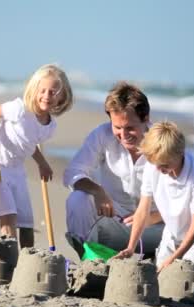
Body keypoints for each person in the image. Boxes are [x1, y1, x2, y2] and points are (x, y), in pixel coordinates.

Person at [63, 81, 163, 258]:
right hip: (115, 223)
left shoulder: (163, 142)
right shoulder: (102, 135)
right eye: (117, 127)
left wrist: (155, 216)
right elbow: (72, 172)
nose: (123, 135)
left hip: (156, 228)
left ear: (145, 118)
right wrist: (97, 190)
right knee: (77, 199)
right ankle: (90, 261)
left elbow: (186, 199)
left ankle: (155, 259)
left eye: (130, 128)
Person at [0, 64, 73, 248]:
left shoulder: (49, 126)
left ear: (62, 97)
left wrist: (42, 163)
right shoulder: (19, 109)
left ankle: (28, 259)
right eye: (43, 90)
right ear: (34, 90)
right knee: (9, 215)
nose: (47, 96)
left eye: (53, 92)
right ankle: (11, 257)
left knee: (26, 222)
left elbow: (28, 144)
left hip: (17, 171)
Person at [114, 121, 194, 273]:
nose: (159, 169)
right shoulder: (153, 165)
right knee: (159, 276)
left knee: (184, 275)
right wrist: (130, 247)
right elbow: (142, 211)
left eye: (164, 165)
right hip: (172, 233)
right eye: (156, 164)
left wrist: (174, 259)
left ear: (180, 153)